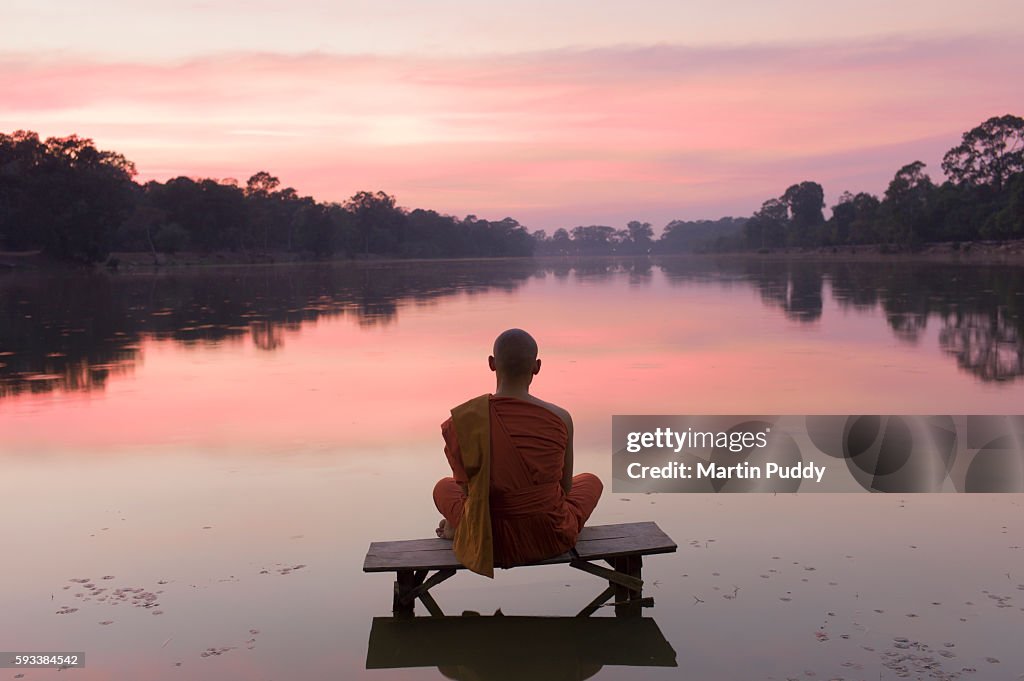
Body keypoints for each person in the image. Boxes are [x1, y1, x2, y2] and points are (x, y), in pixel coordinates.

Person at [432, 328, 603, 576]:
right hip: (551, 536)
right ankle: (461, 527)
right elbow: (565, 490)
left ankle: (458, 529)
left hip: (489, 539)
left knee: (443, 488)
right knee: (590, 482)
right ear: (537, 366)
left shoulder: (463, 421)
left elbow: (470, 493)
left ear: (491, 364)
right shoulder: (560, 418)